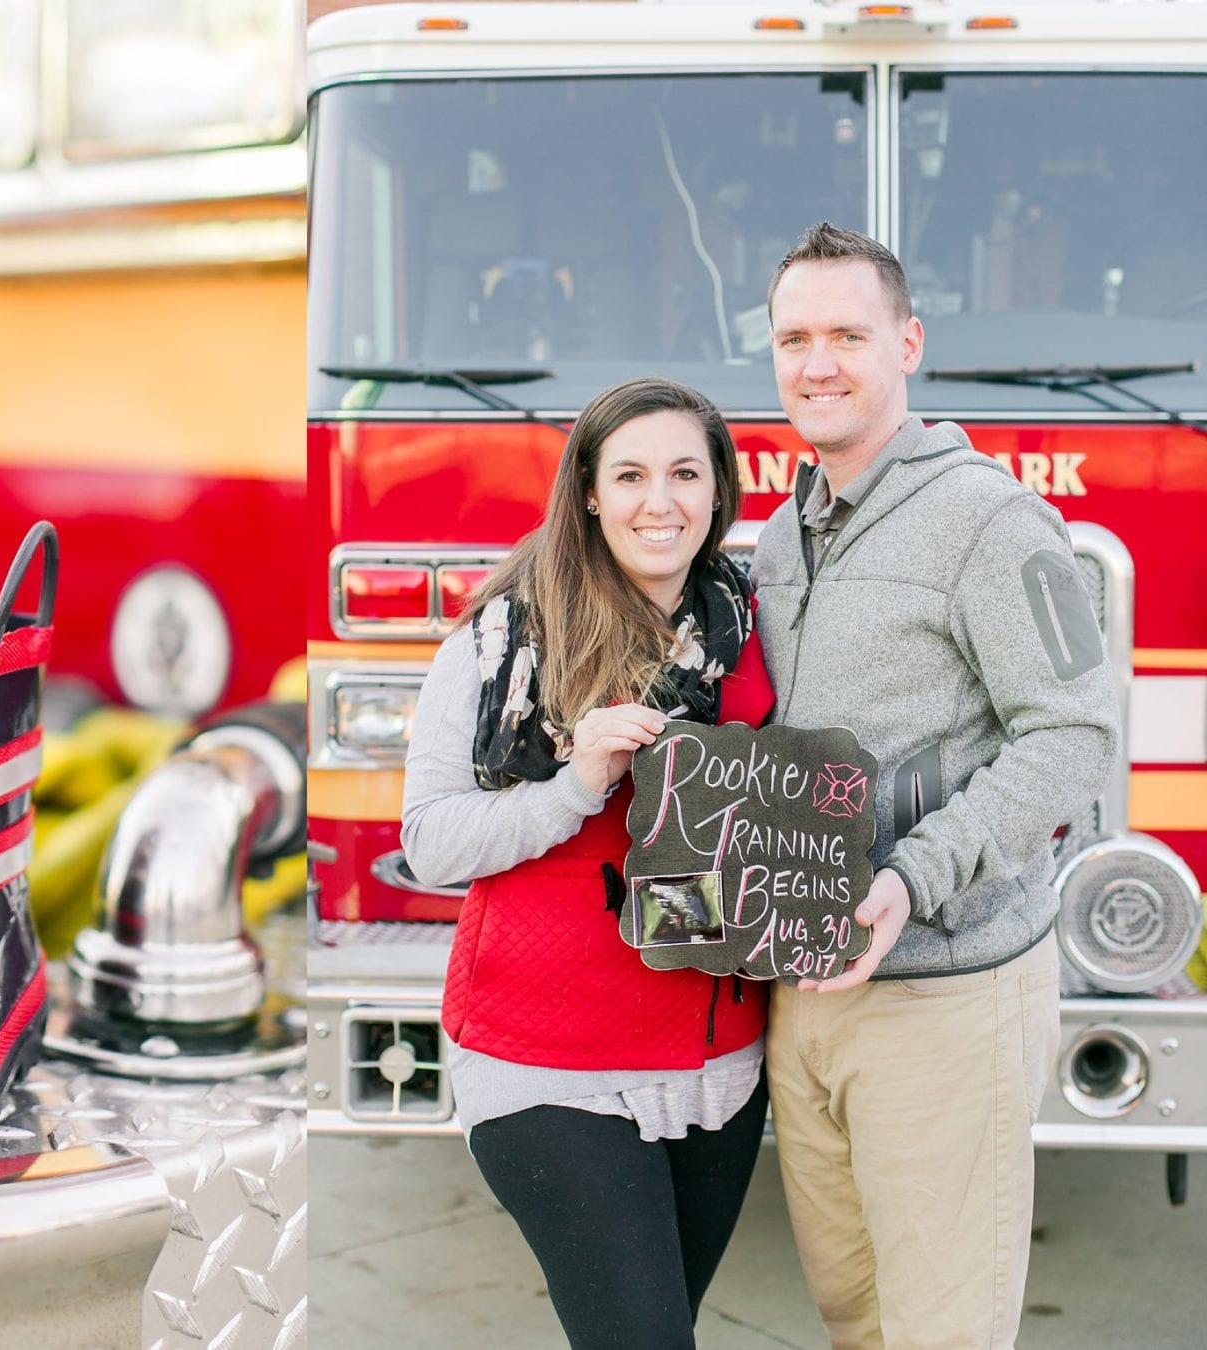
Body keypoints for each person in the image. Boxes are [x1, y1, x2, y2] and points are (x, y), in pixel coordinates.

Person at [751, 222, 1119, 1348]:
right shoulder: (781, 538)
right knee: (854, 1315)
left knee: (940, 1332)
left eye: (848, 336)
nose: (819, 363)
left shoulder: (992, 522)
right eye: (794, 338)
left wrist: (914, 877)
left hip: (946, 996)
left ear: (906, 343)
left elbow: (1075, 735)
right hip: (805, 997)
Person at [401, 377, 775, 1349]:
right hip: (548, 1066)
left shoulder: (754, 628)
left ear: (719, 492)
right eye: (633, 474)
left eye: (686, 473)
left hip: (717, 1064)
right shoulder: (503, 639)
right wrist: (574, 785)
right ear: (592, 494)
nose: (662, 500)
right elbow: (430, 842)